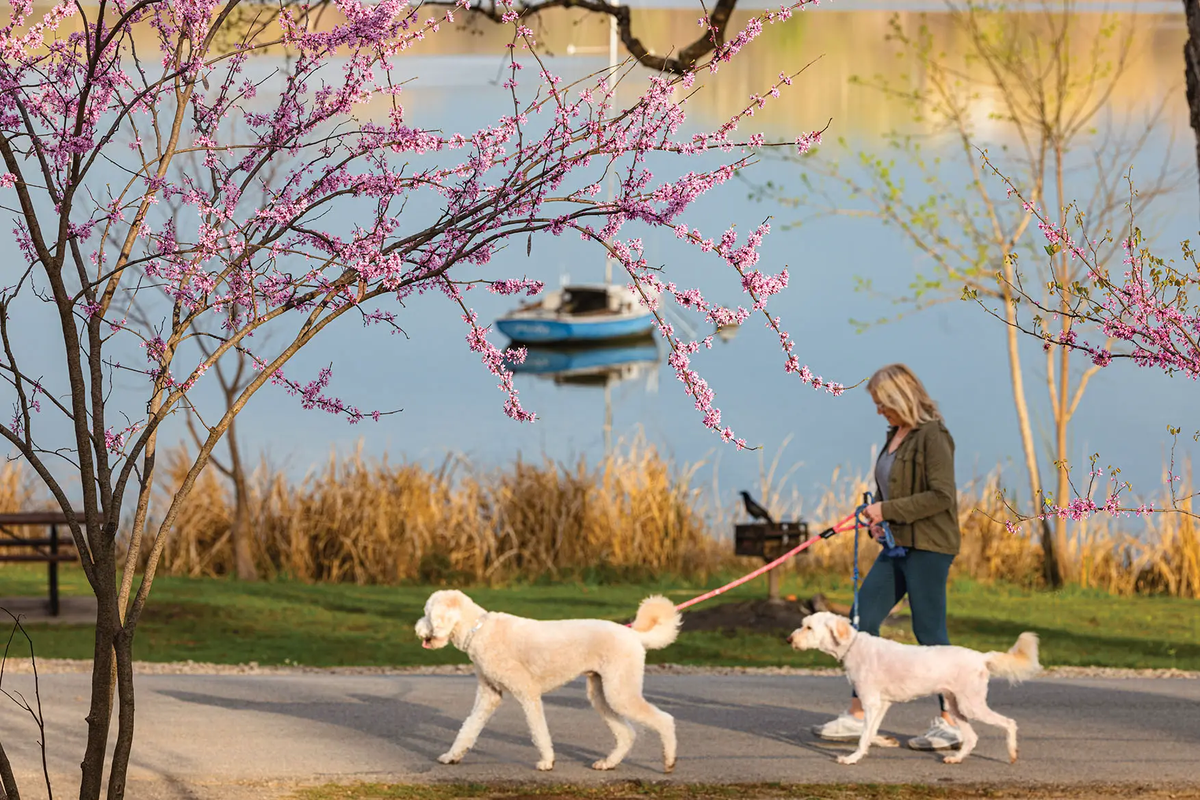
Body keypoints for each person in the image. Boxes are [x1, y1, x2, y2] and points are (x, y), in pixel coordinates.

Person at [811, 363, 963, 752]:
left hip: (929, 546)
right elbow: (891, 490)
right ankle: (858, 715)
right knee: (861, 620)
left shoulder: (934, 437)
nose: (879, 410)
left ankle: (953, 722)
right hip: (895, 545)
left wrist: (889, 510)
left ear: (901, 398)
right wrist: (878, 516)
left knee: (929, 632)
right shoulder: (895, 434)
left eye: (883, 403)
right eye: (877, 404)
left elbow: (942, 496)